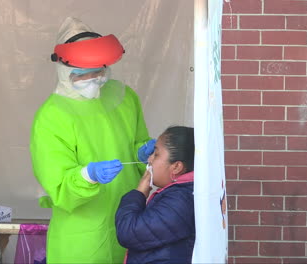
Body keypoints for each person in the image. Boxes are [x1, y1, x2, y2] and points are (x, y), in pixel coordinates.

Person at [30, 17, 155, 263]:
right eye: (83, 74)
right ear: (64, 70)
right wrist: (88, 176)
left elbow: (137, 143)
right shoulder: (52, 116)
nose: (94, 79)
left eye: (99, 71)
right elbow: (60, 186)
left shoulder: (124, 97)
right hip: (82, 235)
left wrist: (144, 154)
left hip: (129, 221)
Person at [115, 126, 196, 264]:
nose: (149, 160)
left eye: (156, 154)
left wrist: (139, 193)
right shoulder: (183, 193)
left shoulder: (180, 200)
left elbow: (128, 232)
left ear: (176, 167)